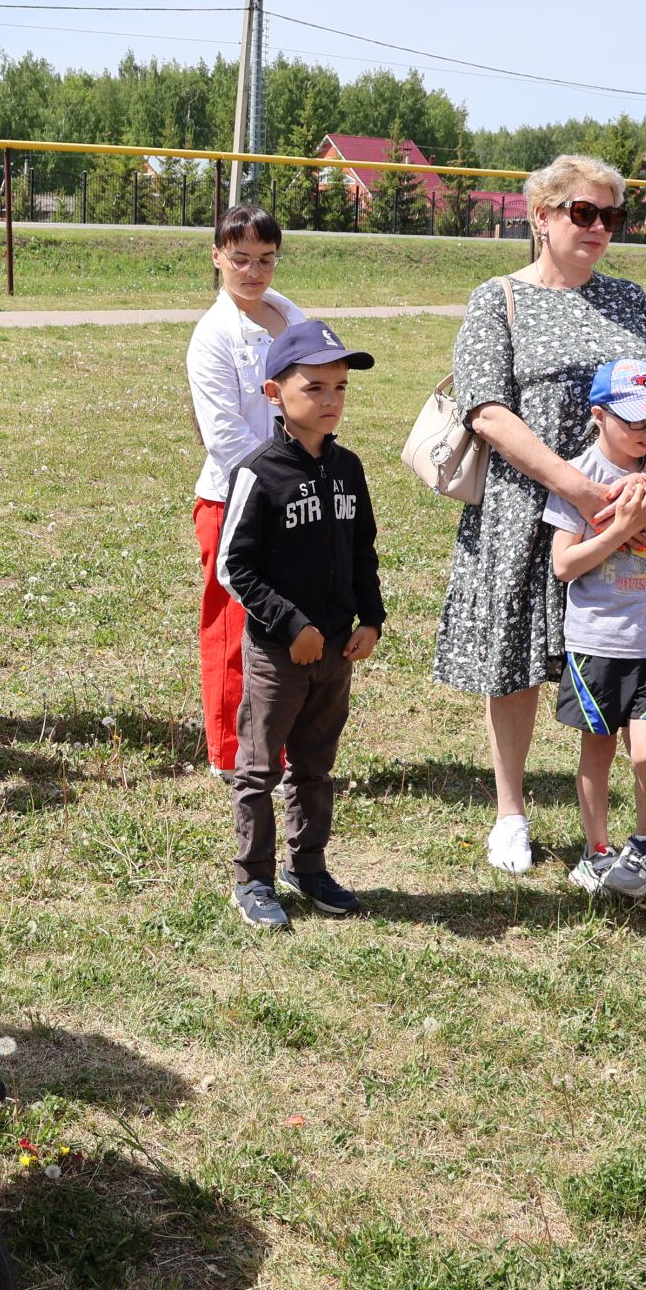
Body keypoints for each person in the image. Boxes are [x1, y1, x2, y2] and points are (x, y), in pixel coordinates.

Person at [432, 154, 646, 885]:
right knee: (518, 664)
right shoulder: (497, 298)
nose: (598, 229)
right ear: (541, 216)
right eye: (582, 213)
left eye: (611, 217)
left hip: (629, 516)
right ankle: (510, 814)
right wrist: (581, 489)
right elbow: (486, 409)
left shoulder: (629, 299)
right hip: (526, 511)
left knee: (633, 653)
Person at [217, 321, 383, 928]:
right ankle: (253, 878)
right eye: (315, 387)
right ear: (273, 394)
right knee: (259, 769)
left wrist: (372, 618)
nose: (331, 400)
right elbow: (233, 567)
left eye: (340, 387)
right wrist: (291, 626)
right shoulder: (259, 473)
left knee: (315, 764)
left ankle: (307, 865)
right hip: (280, 653)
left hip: (338, 650)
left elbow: (362, 550)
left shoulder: (349, 468)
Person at [544, 361, 646, 898]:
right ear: (597, 415)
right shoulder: (578, 476)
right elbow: (565, 566)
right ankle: (595, 851)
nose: (645, 432)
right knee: (599, 751)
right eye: (632, 420)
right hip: (595, 643)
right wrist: (625, 527)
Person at [188, 203, 304, 778]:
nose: (253, 272)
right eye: (240, 259)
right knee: (236, 629)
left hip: (295, 497)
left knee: (284, 628)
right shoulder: (213, 336)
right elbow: (225, 438)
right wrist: (281, 488)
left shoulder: (293, 316)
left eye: (265, 259)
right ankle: (233, 754)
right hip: (234, 503)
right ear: (217, 257)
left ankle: (278, 745)